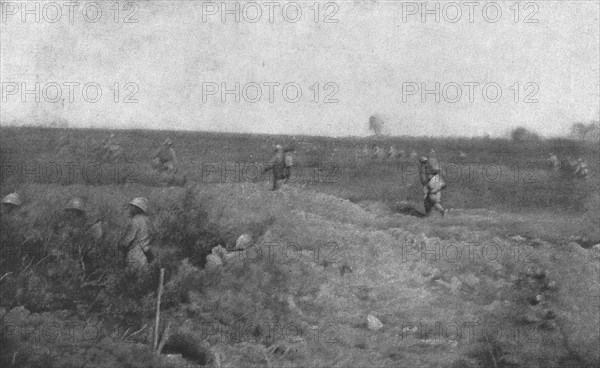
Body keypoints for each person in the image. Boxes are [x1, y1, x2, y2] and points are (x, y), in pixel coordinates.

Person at [59, 197, 104, 275]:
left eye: (72, 211)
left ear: (78, 211)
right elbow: (66, 237)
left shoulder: (86, 223)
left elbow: (93, 236)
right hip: (74, 253)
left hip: (86, 254)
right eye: (69, 211)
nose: (70, 213)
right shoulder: (71, 222)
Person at [121, 197, 154, 269]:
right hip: (145, 255)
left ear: (137, 208)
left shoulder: (135, 220)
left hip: (134, 256)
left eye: (132, 207)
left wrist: (121, 244)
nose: (130, 209)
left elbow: (128, 239)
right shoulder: (147, 220)